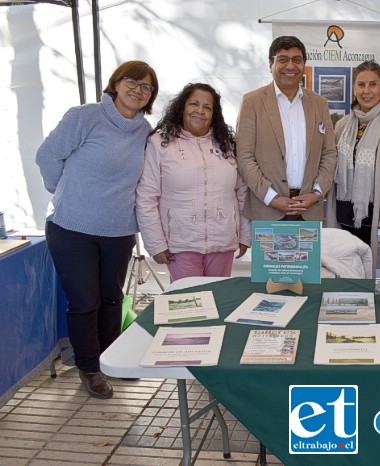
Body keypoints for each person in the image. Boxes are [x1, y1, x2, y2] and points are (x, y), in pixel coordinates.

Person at [36, 61, 159, 399]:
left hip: (118, 231)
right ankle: (89, 368)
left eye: (146, 87)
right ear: (116, 83)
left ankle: (112, 361)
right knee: (84, 301)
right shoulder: (85, 117)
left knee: (111, 298)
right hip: (71, 228)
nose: (138, 89)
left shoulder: (145, 132)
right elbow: (47, 156)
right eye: (131, 81)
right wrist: (63, 192)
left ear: (151, 96)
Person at [136, 83, 251, 282]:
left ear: (214, 113)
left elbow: (242, 194)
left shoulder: (226, 145)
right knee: (188, 308)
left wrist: (245, 236)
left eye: (207, 107)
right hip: (180, 245)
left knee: (219, 303)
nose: (200, 111)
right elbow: (146, 197)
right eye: (194, 104)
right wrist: (156, 244)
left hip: (222, 242)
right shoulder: (160, 143)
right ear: (182, 107)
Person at [236, 35, 337, 221]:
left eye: (297, 60)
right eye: (282, 59)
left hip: (309, 210)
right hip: (267, 210)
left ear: (304, 64)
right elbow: (244, 157)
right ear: (270, 64)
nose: (290, 66)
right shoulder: (252, 102)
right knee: (268, 253)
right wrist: (271, 197)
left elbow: (329, 153)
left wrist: (316, 194)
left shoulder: (319, 104)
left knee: (309, 253)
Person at [326, 60, 380, 266]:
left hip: (376, 221)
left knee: (373, 276)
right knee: (343, 274)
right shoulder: (343, 125)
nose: (366, 91)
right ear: (354, 88)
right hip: (342, 218)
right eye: (361, 85)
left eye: (373, 84)